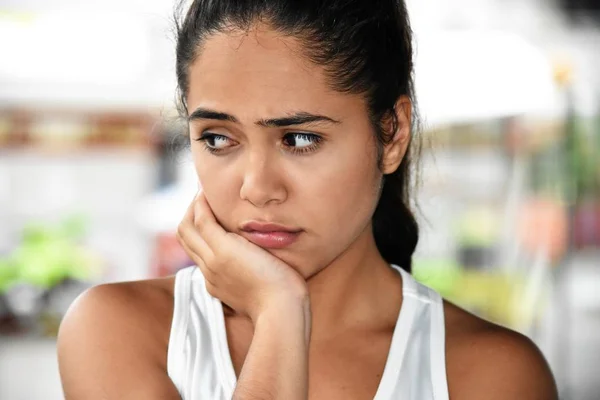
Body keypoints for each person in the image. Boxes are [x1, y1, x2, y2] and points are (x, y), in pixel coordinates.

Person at [57, 0, 558, 399]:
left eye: (298, 138)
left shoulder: (490, 375)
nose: (256, 187)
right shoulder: (119, 331)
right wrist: (278, 314)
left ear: (392, 133)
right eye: (217, 138)